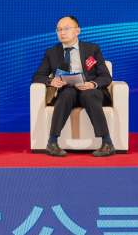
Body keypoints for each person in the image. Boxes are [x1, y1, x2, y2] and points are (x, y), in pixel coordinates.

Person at [31, 15, 116, 157]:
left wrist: (92, 84)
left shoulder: (92, 49)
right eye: (59, 30)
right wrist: (51, 81)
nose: (62, 33)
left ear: (77, 31)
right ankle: (52, 143)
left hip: (91, 92)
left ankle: (107, 143)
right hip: (68, 93)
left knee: (88, 94)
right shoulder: (52, 52)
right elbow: (37, 76)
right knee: (67, 93)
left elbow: (106, 77)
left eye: (66, 29)